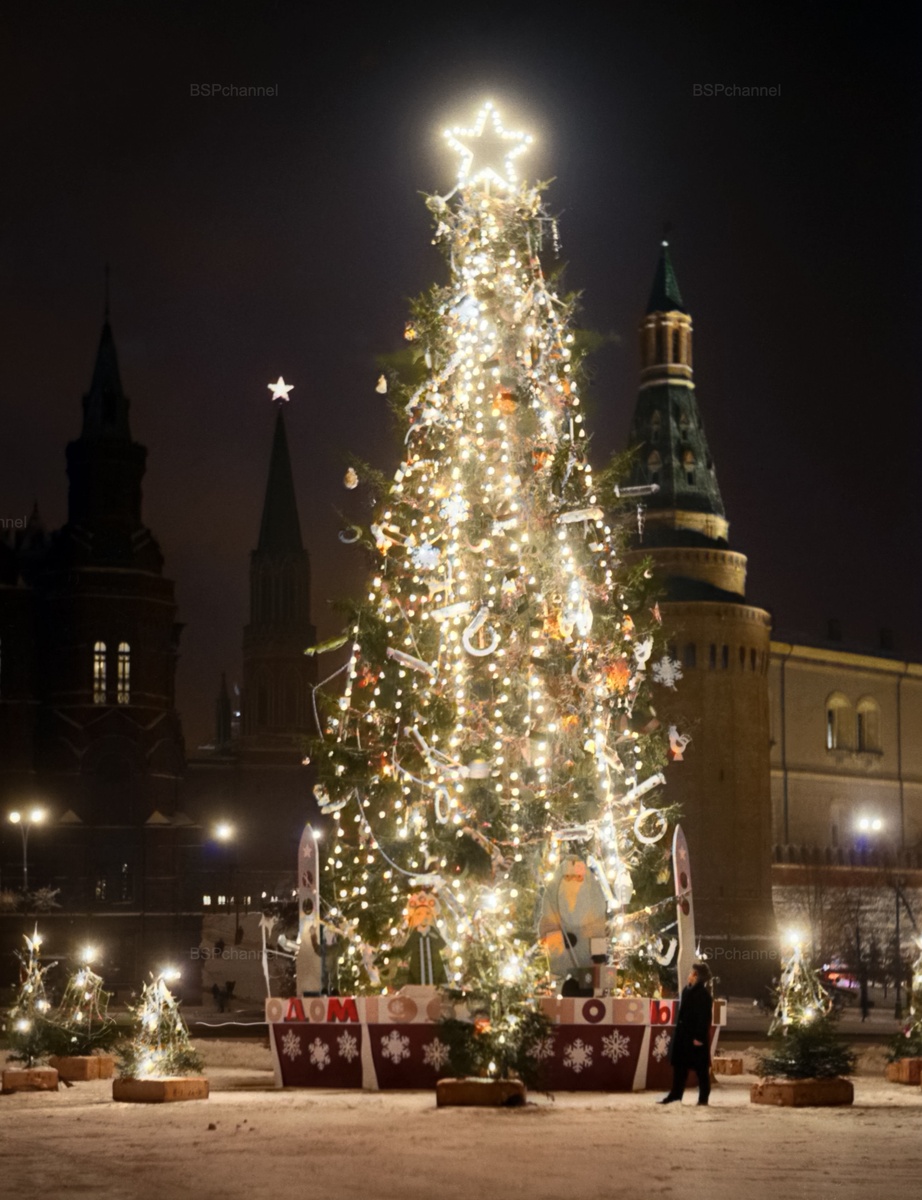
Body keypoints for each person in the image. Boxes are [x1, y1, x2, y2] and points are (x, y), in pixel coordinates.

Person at [658, 962, 714, 1106]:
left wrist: (699, 1037)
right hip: (684, 1036)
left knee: (701, 1070)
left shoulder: (703, 995)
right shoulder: (687, 990)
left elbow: (704, 1018)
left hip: (695, 1038)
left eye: (691, 973)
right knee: (680, 1067)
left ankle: (703, 1098)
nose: (689, 975)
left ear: (696, 976)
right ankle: (675, 1095)